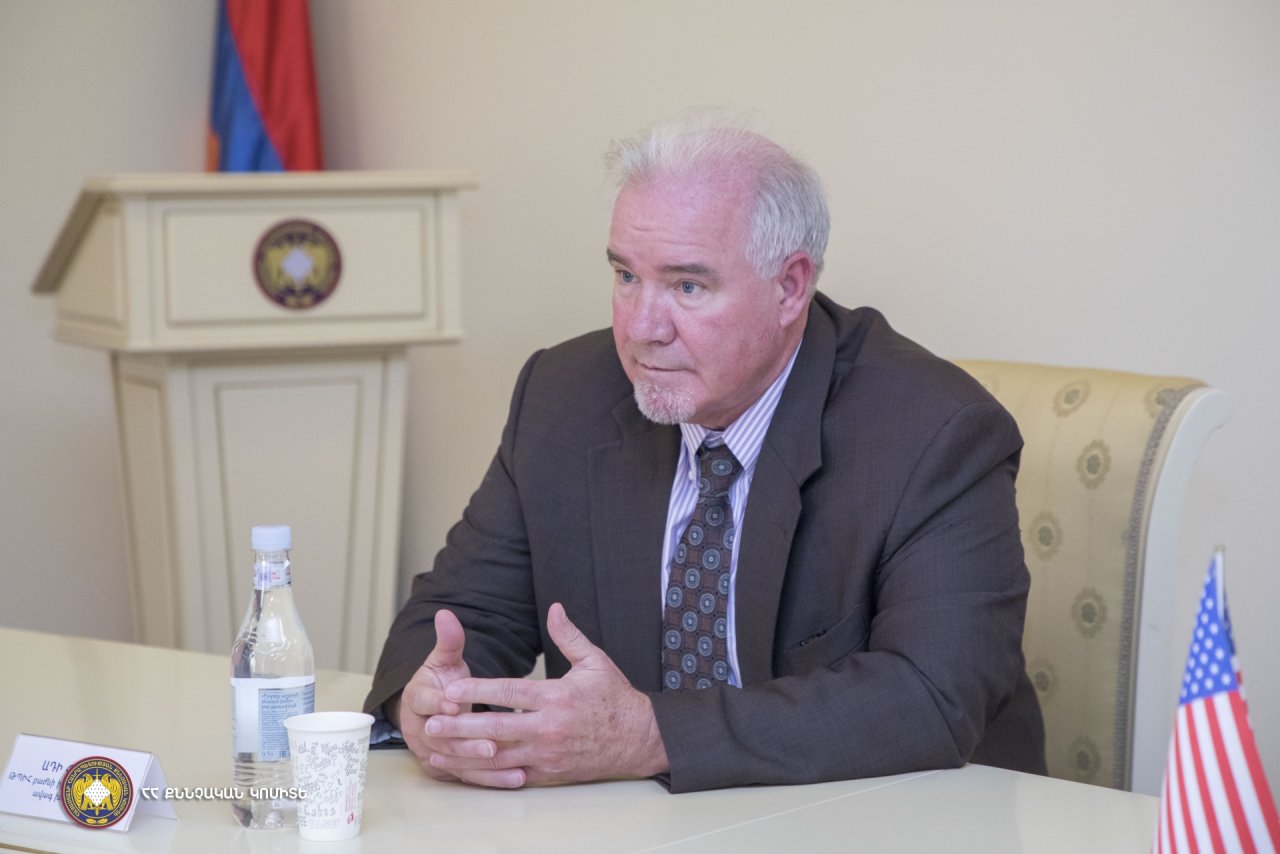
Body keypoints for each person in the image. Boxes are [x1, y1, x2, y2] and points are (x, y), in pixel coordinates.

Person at [364, 117, 1046, 793]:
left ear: (790, 287)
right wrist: (431, 702)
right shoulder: (563, 396)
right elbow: (462, 614)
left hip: (894, 818)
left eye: (687, 287)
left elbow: (931, 695)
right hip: (642, 828)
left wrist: (649, 736)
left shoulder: (933, 431)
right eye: (626, 276)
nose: (642, 329)